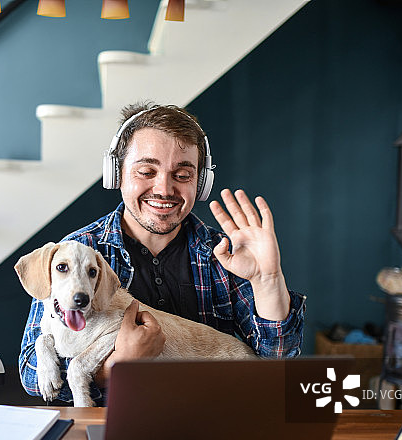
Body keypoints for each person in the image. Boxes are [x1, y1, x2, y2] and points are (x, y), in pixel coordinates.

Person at [19, 102, 305, 404]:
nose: (164, 189)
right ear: (116, 173)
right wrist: (115, 366)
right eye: (146, 171)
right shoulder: (77, 253)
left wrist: (268, 279)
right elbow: (31, 374)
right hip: (118, 432)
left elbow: (277, 364)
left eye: (182, 175)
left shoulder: (227, 254)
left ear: (201, 182)